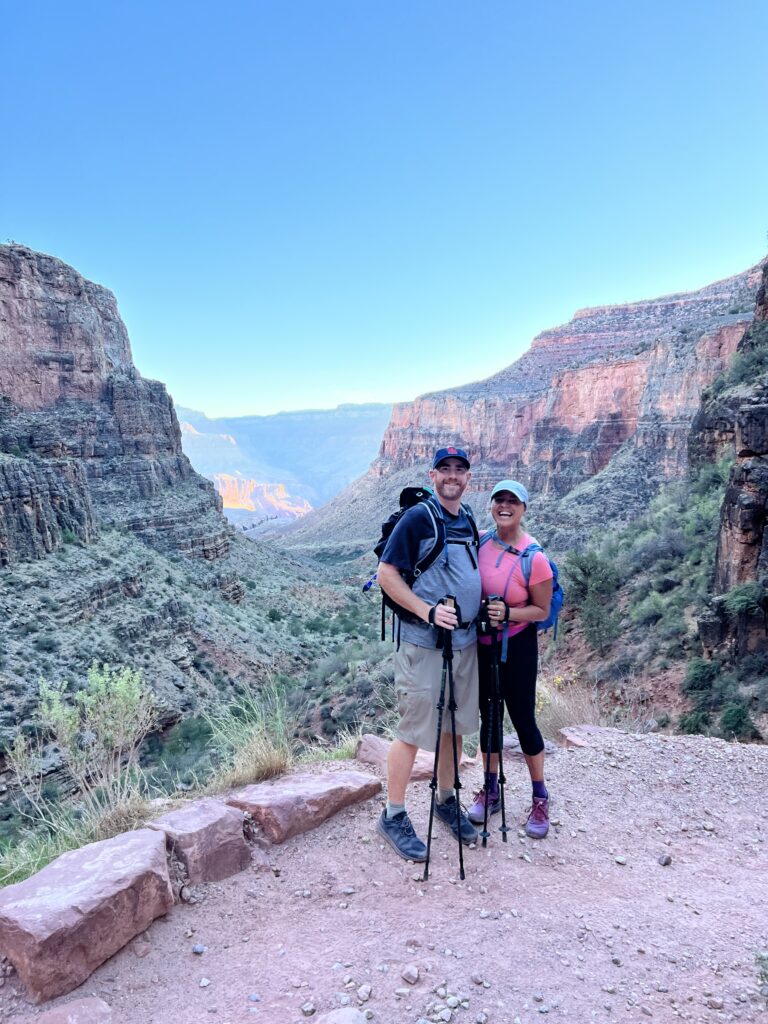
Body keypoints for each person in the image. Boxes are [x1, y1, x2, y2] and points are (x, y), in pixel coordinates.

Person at [376, 446, 482, 861]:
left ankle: (444, 799)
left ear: (468, 478)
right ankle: (394, 813)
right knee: (413, 730)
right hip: (422, 643)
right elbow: (387, 574)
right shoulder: (419, 517)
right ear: (432, 474)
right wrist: (428, 611)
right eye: (445, 469)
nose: (452, 476)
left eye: (460, 469)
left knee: (454, 727)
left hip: (464, 643)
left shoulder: (468, 518)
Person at [468, 480, 554, 839]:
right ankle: (491, 789)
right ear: (491, 505)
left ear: (523, 508)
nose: (505, 506)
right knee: (489, 719)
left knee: (522, 720)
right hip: (483, 645)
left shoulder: (535, 558)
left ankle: (540, 795)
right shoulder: (482, 541)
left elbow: (541, 610)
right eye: (499, 500)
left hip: (517, 647)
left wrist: (508, 614)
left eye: (512, 502)